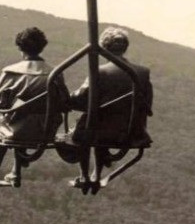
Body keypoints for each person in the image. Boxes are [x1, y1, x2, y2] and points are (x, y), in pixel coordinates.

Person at [61, 27, 154, 193]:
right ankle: (97, 172)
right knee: (101, 123)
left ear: (104, 48)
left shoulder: (99, 71)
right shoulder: (142, 72)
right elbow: (147, 103)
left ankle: (84, 175)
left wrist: (68, 99)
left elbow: (83, 98)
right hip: (133, 132)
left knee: (87, 127)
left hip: (99, 131)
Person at [0, 27, 67, 184]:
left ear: (20, 47)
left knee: (4, 123)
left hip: (19, 129)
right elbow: (64, 102)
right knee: (21, 118)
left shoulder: (12, 71)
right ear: (42, 46)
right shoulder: (55, 73)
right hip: (47, 129)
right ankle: (15, 171)